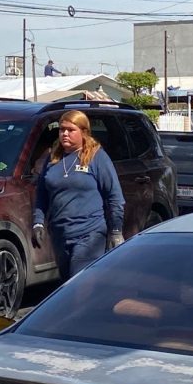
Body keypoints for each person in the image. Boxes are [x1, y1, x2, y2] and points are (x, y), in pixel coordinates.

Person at [32, 110, 125, 279]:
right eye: (62, 129)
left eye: (70, 130)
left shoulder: (96, 157)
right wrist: (38, 222)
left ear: (84, 132)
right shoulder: (53, 158)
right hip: (60, 234)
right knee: (66, 284)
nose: (65, 134)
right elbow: (41, 194)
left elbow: (115, 196)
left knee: (79, 283)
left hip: (89, 233)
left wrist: (116, 231)